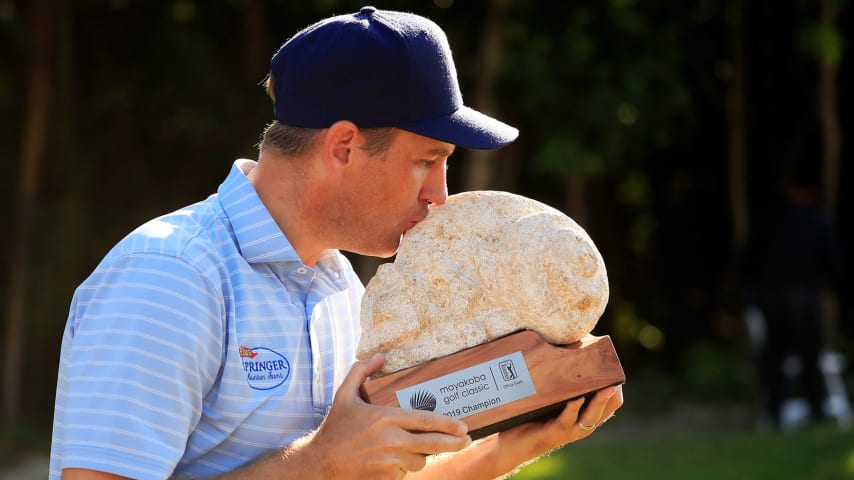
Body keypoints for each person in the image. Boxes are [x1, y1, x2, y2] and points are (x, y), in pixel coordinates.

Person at [50, 6, 623, 479]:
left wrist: (518, 441)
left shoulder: (336, 282)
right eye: (427, 161)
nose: (439, 197)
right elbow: (329, 467)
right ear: (344, 146)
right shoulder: (169, 276)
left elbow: (363, 471)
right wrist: (319, 462)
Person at [744, 177, 845, 430]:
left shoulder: (769, 219)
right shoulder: (815, 219)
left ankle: (776, 412)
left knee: (775, 358)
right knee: (810, 355)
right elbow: (832, 261)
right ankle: (815, 409)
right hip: (802, 297)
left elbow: (748, 262)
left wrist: (752, 298)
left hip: (772, 298)